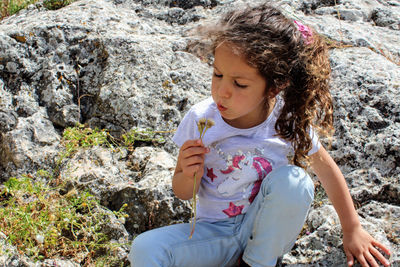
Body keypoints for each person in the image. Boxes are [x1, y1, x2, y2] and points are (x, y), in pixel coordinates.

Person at [128, 3, 391, 267]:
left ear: (274, 87)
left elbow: (327, 172)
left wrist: (352, 228)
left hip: (265, 236)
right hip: (213, 235)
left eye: (239, 83)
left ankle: (255, 263)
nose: (222, 91)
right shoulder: (201, 119)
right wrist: (187, 172)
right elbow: (183, 192)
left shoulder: (287, 121)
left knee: (296, 181)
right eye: (217, 74)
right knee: (145, 248)